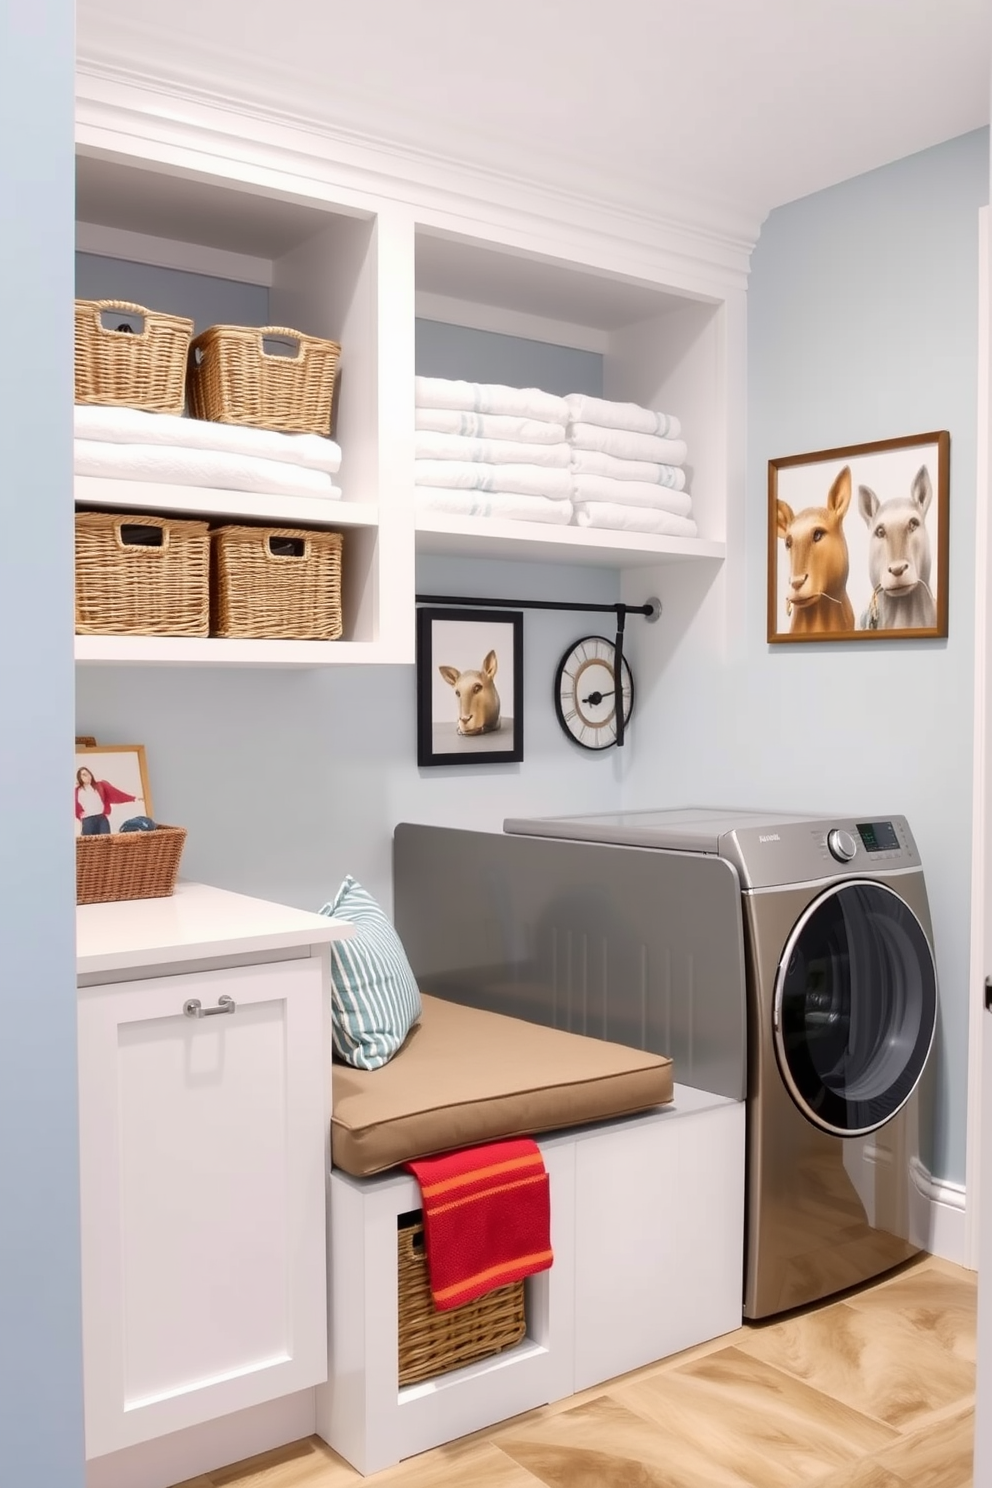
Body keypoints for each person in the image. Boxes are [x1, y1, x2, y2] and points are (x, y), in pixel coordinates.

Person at [75, 766, 136, 836]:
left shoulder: (101, 785)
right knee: (89, 843)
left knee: (106, 841)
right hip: (87, 820)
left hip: (101, 818)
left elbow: (116, 793)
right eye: (84, 775)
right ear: (80, 778)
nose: (88, 776)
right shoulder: (77, 791)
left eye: (89, 774)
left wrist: (132, 798)